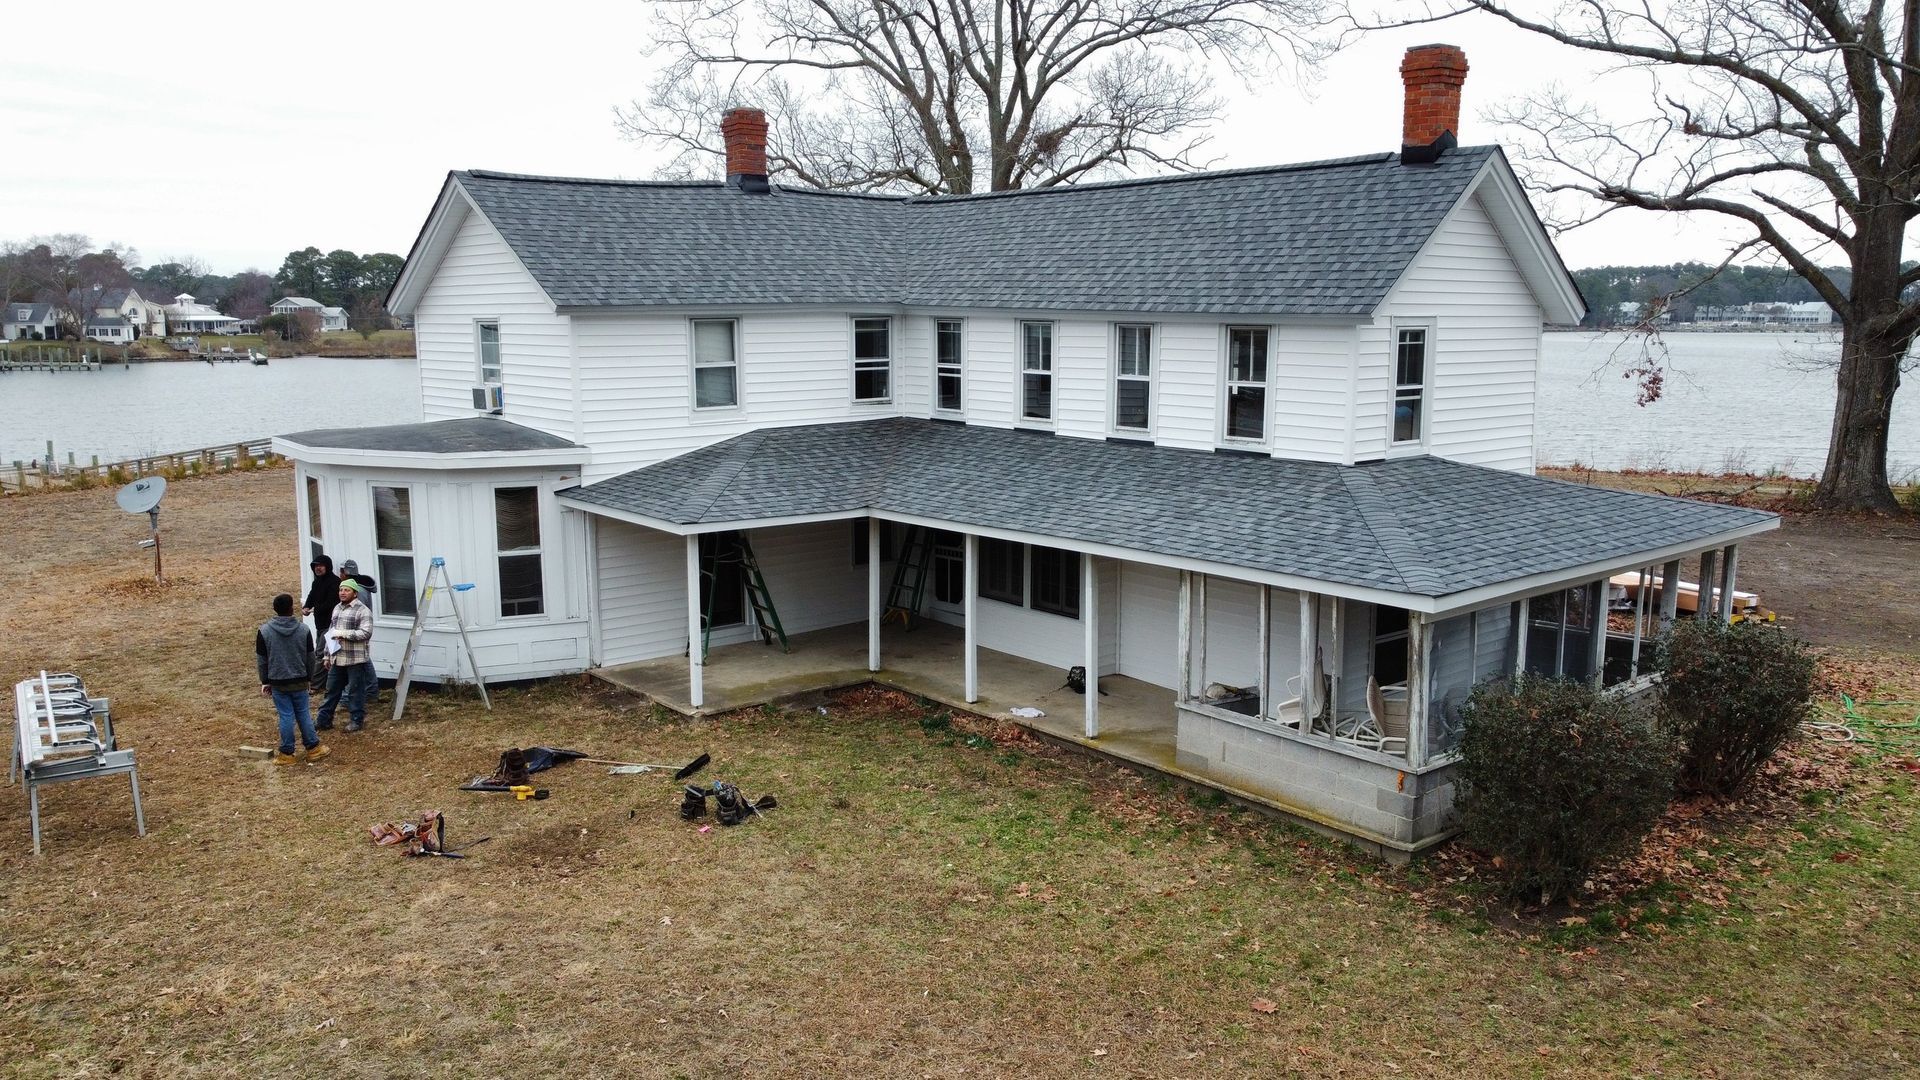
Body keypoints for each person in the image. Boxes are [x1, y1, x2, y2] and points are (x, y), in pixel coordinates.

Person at [257, 593, 329, 764]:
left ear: (275, 609)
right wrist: (310, 677)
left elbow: (262, 660)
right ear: (291, 609)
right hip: (300, 679)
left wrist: (265, 680)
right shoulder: (303, 630)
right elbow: (310, 657)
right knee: (303, 713)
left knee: (286, 716)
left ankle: (287, 753)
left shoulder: (264, 631)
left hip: (278, 681)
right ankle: (313, 748)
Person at [316, 578, 375, 732]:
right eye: (341, 590)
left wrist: (343, 634)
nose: (342, 593)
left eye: (346, 590)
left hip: (355, 659)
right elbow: (331, 633)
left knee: (355, 691)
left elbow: (366, 633)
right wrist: (327, 656)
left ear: (355, 593)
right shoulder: (337, 608)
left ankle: (356, 721)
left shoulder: (363, 610)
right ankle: (323, 720)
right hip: (337, 658)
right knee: (331, 691)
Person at [301, 555, 340, 689]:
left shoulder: (335, 583)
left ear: (327, 566)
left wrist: (313, 609)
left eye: (321, 566)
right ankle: (329, 683)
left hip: (331, 625)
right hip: (320, 624)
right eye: (315, 566)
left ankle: (315, 685)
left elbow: (331, 603)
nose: (318, 568)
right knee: (329, 654)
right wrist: (306, 606)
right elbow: (312, 596)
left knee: (321, 653)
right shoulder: (317, 582)